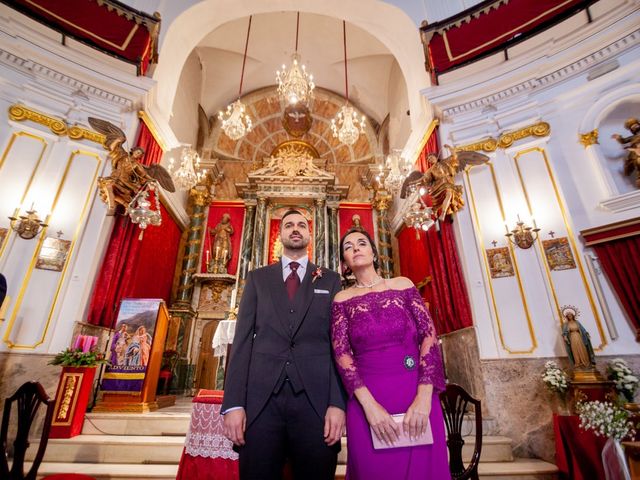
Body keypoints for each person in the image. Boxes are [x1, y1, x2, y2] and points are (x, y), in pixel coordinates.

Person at [222, 209, 346, 480]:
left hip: (315, 403)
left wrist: (338, 404)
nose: (295, 229)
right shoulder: (257, 278)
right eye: (289, 225)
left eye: (302, 224)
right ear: (280, 234)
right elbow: (242, 343)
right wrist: (233, 404)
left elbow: (339, 346)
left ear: (309, 234)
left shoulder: (330, 280)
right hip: (261, 402)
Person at [331, 228, 450, 479]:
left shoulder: (403, 284)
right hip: (367, 399)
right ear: (345, 263)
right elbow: (341, 355)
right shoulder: (341, 299)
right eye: (348, 247)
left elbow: (429, 336)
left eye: (362, 243)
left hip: (414, 391)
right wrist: (370, 407)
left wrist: (424, 397)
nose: (355, 248)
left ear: (374, 253)